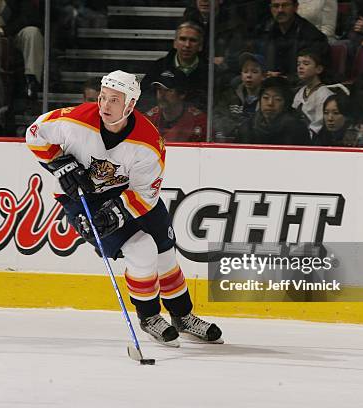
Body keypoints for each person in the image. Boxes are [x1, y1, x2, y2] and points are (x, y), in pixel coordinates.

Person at [25, 70, 223, 346]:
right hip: (83, 198)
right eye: (103, 98)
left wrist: (117, 212)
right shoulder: (75, 120)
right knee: (141, 249)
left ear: (130, 105)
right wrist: (59, 163)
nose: (104, 106)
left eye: (114, 100)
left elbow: (145, 193)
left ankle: (183, 316)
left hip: (129, 194)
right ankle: (150, 317)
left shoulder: (148, 143)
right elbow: (34, 133)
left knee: (165, 255)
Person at [140, 21, 209, 111]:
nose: (187, 45)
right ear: (175, 43)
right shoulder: (159, 67)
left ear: (200, 46)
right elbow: (144, 98)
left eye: (193, 40)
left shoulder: (210, 71)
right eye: (183, 39)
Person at [256, 0, 331, 82]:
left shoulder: (312, 35)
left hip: (299, 86)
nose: (280, 10)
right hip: (270, 85)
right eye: (276, 6)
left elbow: (316, 73)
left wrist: (285, 79)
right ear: (271, 8)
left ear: (295, 7)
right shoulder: (264, 31)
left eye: (285, 5)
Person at [213, 51, 265, 142]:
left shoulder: (268, 98)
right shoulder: (229, 95)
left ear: (263, 76)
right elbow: (217, 117)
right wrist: (239, 128)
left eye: (254, 71)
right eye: (245, 71)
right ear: (241, 75)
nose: (249, 75)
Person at [145, 69, 207, 142]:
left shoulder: (199, 121)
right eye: (159, 89)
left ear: (182, 94)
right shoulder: (148, 119)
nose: (162, 95)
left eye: (168, 90)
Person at [246, 76, 311, 145]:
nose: (270, 103)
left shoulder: (297, 129)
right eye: (265, 98)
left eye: (277, 99)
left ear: (286, 103)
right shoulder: (248, 127)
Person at [292, 48, 335, 136]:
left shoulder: (325, 94)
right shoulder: (300, 92)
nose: (300, 67)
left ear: (318, 69)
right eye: (298, 64)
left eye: (306, 63)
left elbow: (318, 126)